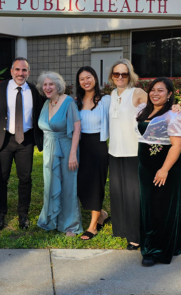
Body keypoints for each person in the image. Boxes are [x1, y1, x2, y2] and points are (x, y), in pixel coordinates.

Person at [108, 59, 181, 251]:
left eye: (124, 74)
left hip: (134, 151)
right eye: (117, 74)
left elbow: (160, 104)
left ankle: (136, 235)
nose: (120, 77)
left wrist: (177, 107)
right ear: (112, 76)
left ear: (130, 75)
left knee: (134, 196)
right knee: (119, 194)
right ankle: (123, 230)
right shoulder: (112, 94)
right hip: (114, 150)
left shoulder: (138, 92)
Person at [135, 77, 181, 266]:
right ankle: (162, 244)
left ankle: (156, 252)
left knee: (161, 207)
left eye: (161, 90)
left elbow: (177, 145)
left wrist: (164, 170)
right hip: (146, 168)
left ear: (170, 94)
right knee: (149, 206)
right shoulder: (143, 110)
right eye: (152, 90)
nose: (155, 93)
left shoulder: (175, 115)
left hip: (165, 166)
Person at [0, 57, 44, 231]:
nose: (21, 73)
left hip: (26, 140)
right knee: (2, 178)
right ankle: (1, 213)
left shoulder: (35, 91)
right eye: (17, 70)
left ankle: (23, 214)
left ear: (28, 72)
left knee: (25, 178)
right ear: (11, 71)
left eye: (24, 70)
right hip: (4, 139)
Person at [36, 71, 83, 237]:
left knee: (68, 186)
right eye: (45, 84)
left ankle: (70, 224)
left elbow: (77, 128)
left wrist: (72, 154)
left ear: (58, 85)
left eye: (51, 84)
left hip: (65, 148)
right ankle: (51, 219)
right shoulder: (47, 103)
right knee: (50, 185)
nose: (48, 87)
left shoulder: (68, 101)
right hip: (50, 151)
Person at [75, 66, 111, 240]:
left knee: (96, 185)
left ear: (95, 78)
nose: (85, 81)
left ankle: (93, 226)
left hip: (99, 146)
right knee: (82, 184)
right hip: (81, 146)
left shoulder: (106, 100)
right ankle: (102, 213)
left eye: (88, 77)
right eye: (82, 79)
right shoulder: (77, 101)